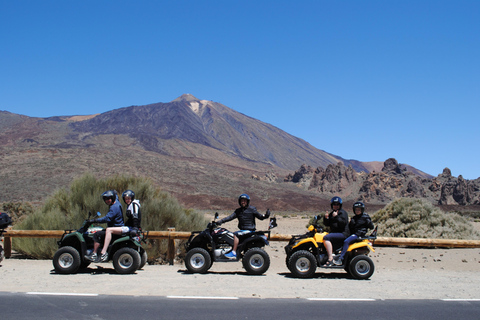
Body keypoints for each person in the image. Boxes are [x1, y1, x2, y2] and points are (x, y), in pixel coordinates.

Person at [216, 194, 270, 259]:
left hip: (249, 230)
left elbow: (260, 217)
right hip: (243, 230)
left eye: (244, 201)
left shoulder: (252, 209)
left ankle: (233, 252)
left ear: (247, 201)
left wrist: (266, 215)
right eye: (242, 201)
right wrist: (221, 221)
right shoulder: (238, 211)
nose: (243, 202)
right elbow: (230, 217)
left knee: (236, 234)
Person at [97, 190, 142, 262]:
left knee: (109, 230)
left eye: (129, 198)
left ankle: (104, 252)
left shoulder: (133, 205)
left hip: (132, 228)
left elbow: (135, 217)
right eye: (126, 199)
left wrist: (135, 228)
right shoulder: (131, 204)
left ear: (132, 198)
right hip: (132, 227)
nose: (127, 200)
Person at [85, 190, 124, 262]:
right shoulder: (117, 203)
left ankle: (95, 254)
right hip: (116, 227)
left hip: (114, 229)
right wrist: (114, 192)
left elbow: (107, 218)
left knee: (97, 234)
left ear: (113, 198)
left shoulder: (114, 207)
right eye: (105, 199)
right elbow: (116, 197)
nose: (107, 200)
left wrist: (94, 220)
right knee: (101, 231)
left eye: (109, 198)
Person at [333, 201, 374, 266]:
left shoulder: (365, 217)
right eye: (356, 209)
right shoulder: (354, 218)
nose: (357, 211)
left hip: (359, 234)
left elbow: (371, 226)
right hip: (354, 234)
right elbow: (350, 228)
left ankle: (341, 258)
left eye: (359, 209)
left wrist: (368, 221)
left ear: (362, 210)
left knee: (346, 241)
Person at [322, 196, 349, 267]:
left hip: (343, 234)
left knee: (326, 238)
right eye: (334, 204)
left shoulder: (343, 213)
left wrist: (337, 217)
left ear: (340, 205)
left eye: (337, 204)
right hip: (336, 233)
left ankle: (330, 259)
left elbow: (343, 223)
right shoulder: (332, 214)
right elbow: (327, 224)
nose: (336, 206)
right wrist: (326, 218)